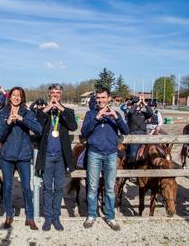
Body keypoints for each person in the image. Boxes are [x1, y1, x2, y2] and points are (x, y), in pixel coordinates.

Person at [81, 87, 129, 231]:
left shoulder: (116, 114)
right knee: (93, 187)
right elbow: (84, 132)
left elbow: (126, 131)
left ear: (109, 98)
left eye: (103, 97)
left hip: (111, 154)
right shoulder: (90, 114)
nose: (100, 100)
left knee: (110, 188)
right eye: (98, 98)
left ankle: (110, 216)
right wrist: (96, 118)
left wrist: (116, 117)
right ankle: (91, 215)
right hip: (94, 153)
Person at [0, 87, 42, 230]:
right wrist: (8, 122)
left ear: (22, 98)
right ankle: (9, 216)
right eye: (14, 95)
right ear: (9, 97)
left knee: (27, 188)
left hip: (23, 155)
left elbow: (39, 130)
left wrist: (22, 119)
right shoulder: (2, 113)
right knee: (8, 187)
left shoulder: (27, 113)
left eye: (19, 96)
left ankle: (30, 217)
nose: (16, 97)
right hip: (7, 156)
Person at [34, 84, 78, 231]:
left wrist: (61, 109)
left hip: (60, 157)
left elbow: (73, 126)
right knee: (47, 188)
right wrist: (46, 109)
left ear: (61, 95)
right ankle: (48, 218)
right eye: (52, 93)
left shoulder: (68, 111)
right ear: (48, 94)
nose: (55, 95)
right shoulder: (42, 112)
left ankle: (56, 218)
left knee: (58, 188)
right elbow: (36, 127)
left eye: (58, 93)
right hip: (46, 156)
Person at [126, 94, 153, 166]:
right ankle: (131, 170)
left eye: (139, 104)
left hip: (144, 136)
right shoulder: (130, 114)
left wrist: (144, 102)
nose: (138, 105)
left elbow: (151, 113)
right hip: (134, 137)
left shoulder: (143, 113)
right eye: (135, 104)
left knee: (153, 152)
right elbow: (130, 112)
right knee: (133, 155)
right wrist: (137, 103)